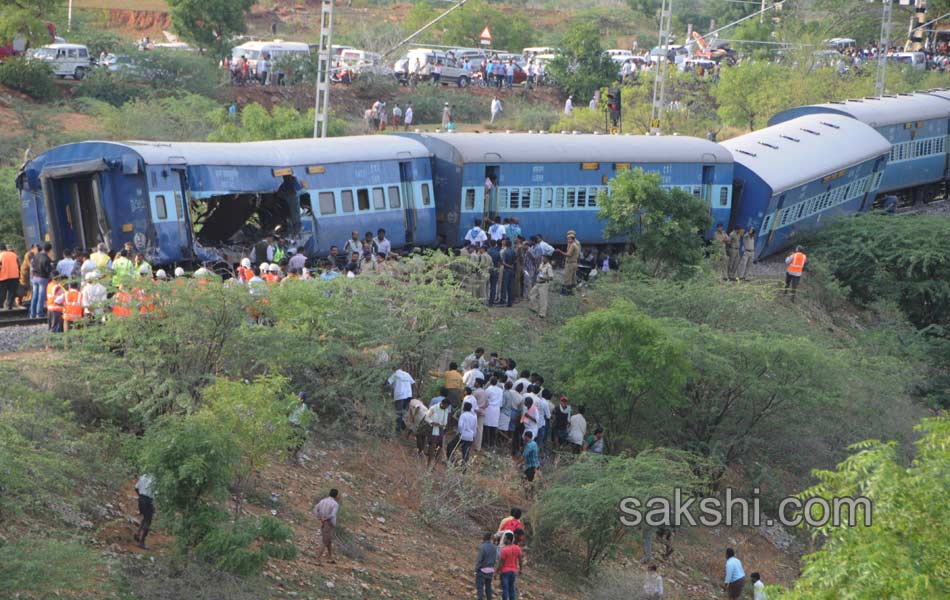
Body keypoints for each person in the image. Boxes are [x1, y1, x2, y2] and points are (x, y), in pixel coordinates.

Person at [313, 489, 340, 564]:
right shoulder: (335, 504)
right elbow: (332, 515)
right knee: (325, 541)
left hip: (323, 522)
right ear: (336, 495)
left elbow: (315, 509)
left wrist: (319, 517)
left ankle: (330, 557)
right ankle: (317, 560)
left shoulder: (322, 501)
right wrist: (325, 518)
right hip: (329, 523)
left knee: (329, 540)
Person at [387, 367, 416, 433]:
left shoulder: (395, 374)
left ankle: (398, 429)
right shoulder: (407, 374)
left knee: (398, 412)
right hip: (408, 395)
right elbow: (413, 383)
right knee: (404, 412)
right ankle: (403, 426)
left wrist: (388, 389)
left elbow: (388, 382)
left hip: (400, 395)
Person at [424, 396, 451, 465]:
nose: (446, 408)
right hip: (433, 429)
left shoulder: (446, 410)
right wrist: (432, 422)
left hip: (441, 429)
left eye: (447, 407)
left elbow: (445, 421)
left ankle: (434, 464)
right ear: (442, 404)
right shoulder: (433, 408)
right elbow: (426, 417)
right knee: (432, 446)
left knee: (440, 447)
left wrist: (444, 426)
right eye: (445, 406)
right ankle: (429, 463)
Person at [29, 243, 53, 318]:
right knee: (41, 297)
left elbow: (32, 266)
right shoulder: (46, 258)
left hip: (35, 278)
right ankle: (39, 313)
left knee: (34, 296)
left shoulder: (36, 256)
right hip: (42, 279)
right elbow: (48, 270)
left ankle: (32, 314)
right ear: (49, 250)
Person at [498, 531, 523, 600]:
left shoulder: (504, 549)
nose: (504, 540)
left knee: (505, 588)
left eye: (505, 539)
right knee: (511, 588)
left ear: (509, 540)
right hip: (513, 571)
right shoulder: (517, 548)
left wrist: (497, 572)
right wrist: (521, 569)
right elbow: (520, 560)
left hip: (505, 571)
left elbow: (501, 563)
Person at [527, 253, 553, 318]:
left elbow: (551, 277)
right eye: (543, 257)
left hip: (544, 284)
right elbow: (539, 271)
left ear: (547, 259)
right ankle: (534, 308)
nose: (543, 259)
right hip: (538, 283)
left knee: (543, 299)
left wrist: (544, 278)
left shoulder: (549, 267)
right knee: (531, 294)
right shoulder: (541, 264)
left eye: (544, 258)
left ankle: (542, 314)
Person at [133, 473, 155, 549]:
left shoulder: (144, 475)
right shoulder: (155, 479)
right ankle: (142, 542)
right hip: (148, 500)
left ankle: (137, 533)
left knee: (145, 517)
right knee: (148, 520)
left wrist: (140, 497)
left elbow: (136, 488)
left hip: (141, 499)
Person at [475, 531, 497, 600]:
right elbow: (495, 559)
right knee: (488, 587)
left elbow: (480, 559)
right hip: (490, 569)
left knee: (480, 587)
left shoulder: (482, 547)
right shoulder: (494, 547)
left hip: (482, 569)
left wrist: (476, 569)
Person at [457, 401, 477, 465]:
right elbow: (474, 427)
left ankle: (451, 460)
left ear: (464, 408)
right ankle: (464, 464)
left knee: (451, 446)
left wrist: (460, 432)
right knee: (466, 451)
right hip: (470, 436)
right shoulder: (473, 416)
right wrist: (473, 436)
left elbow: (460, 425)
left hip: (463, 435)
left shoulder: (463, 415)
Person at [0, 244, 20, 310]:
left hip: (3, 277)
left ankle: (1, 306)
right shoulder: (14, 255)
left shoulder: (0, 255)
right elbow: (18, 265)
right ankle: (9, 306)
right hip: (14, 276)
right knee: (12, 292)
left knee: (2, 292)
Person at [499, 239, 516, 307]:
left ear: (506, 244)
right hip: (512, 270)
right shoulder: (513, 251)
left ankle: (503, 301)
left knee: (504, 286)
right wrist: (512, 266)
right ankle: (510, 302)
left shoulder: (505, 252)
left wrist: (508, 266)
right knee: (510, 286)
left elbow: (503, 262)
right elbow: (515, 260)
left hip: (506, 270)